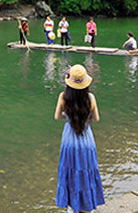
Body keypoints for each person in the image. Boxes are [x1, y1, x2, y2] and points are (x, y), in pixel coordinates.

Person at [54, 65, 105, 212]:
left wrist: (69, 116)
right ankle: (87, 207)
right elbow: (96, 119)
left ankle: (72, 207)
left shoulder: (63, 96)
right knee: (86, 170)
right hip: (86, 139)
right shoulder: (90, 98)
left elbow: (57, 116)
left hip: (69, 140)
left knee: (70, 171)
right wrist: (83, 116)